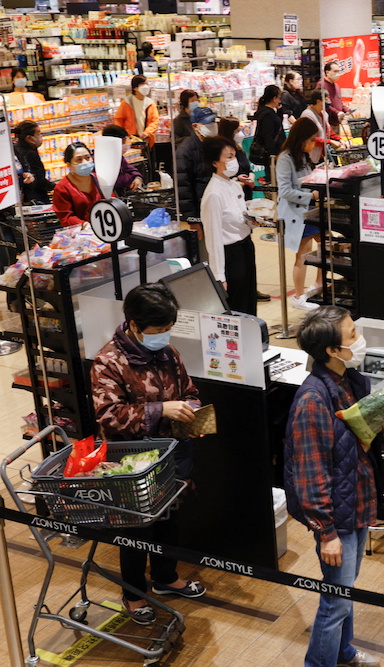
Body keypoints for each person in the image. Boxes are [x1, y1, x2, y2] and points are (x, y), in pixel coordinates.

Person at [285, 306, 384, 667]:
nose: (360, 338)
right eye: (352, 335)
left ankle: (344, 653)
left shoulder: (351, 381)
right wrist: (326, 532)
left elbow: (353, 445)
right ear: (332, 351)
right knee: (335, 600)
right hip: (337, 515)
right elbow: (310, 471)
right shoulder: (312, 400)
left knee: (345, 592)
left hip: (358, 501)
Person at [90, 283, 206, 625]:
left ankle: (166, 578)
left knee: (168, 520)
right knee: (136, 529)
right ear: (135, 325)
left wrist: (192, 411)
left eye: (169, 329)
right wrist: (161, 410)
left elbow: (189, 390)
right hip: (131, 461)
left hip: (171, 455)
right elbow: (108, 415)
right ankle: (132, 593)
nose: (165, 336)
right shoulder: (109, 361)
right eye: (159, 330)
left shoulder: (168, 353)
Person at [200, 135, 256, 316]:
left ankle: (253, 338)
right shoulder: (213, 194)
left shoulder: (235, 185)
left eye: (234, 155)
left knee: (249, 297)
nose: (234, 161)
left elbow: (240, 217)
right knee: (237, 304)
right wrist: (219, 275)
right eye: (228, 157)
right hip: (229, 255)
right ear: (215, 162)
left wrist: (253, 222)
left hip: (246, 246)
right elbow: (213, 237)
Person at [276, 117, 324, 312]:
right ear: (301, 138)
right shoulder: (285, 159)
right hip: (297, 213)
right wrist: (310, 195)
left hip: (311, 210)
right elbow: (285, 191)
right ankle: (298, 296)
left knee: (325, 245)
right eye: (311, 140)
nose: (313, 144)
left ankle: (319, 283)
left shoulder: (303, 156)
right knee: (302, 255)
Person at [176, 106, 218, 230]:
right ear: (195, 126)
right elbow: (183, 188)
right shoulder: (185, 151)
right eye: (208, 123)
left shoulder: (215, 144)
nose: (213, 125)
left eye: (214, 122)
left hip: (218, 206)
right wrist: (193, 220)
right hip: (201, 210)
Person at [52, 142, 103, 228]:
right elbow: (65, 217)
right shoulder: (62, 188)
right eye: (79, 160)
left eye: (87, 158)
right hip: (81, 234)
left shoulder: (100, 179)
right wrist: (84, 225)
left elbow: (111, 201)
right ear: (69, 165)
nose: (85, 162)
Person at [251, 85, 286, 180]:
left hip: (275, 151)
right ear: (274, 98)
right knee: (274, 178)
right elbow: (268, 136)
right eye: (279, 98)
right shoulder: (267, 115)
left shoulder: (268, 112)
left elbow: (278, 125)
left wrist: (279, 110)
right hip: (272, 153)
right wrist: (272, 154)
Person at [113, 75, 159, 149]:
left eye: (147, 84)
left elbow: (155, 121)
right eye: (142, 84)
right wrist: (122, 136)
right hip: (131, 139)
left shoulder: (150, 103)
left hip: (146, 139)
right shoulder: (127, 102)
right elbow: (118, 119)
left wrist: (147, 132)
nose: (146, 87)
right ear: (135, 88)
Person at [12, 121, 52, 204]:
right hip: (35, 199)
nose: (41, 137)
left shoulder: (15, 148)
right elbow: (39, 181)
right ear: (29, 138)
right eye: (38, 134)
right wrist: (57, 186)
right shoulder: (30, 153)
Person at [101, 125, 144, 197]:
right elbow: (112, 182)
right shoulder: (101, 159)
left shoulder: (117, 155)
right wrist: (130, 177)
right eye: (123, 141)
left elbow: (130, 169)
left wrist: (137, 177)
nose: (125, 144)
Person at [322, 60, 354, 125]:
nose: (337, 74)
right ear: (327, 72)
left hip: (337, 122)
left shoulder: (336, 86)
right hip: (327, 123)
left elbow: (340, 103)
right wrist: (337, 112)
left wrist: (347, 110)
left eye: (338, 71)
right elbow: (324, 104)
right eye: (335, 71)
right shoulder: (322, 85)